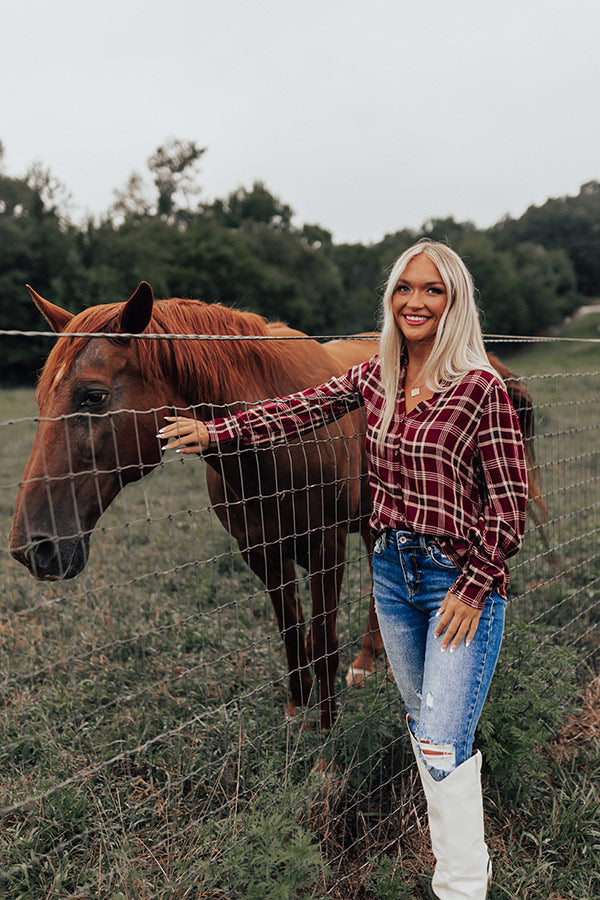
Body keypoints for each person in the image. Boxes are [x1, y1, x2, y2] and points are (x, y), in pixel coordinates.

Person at [159, 240, 528, 900]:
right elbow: (295, 411)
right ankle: (456, 862)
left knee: (442, 738)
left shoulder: (481, 389)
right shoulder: (373, 379)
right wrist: (216, 435)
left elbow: (508, 502)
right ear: (390, 298)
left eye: (433, 289)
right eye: (404, 288)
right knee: (426, 728)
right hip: (391, 576)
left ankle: (462, 885)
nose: (415, 301)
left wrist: (474, 585)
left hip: (455, 580)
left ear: (456, 302)